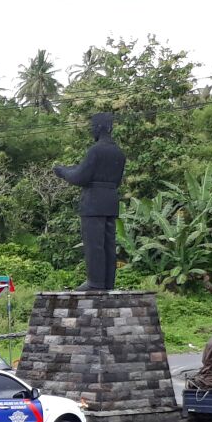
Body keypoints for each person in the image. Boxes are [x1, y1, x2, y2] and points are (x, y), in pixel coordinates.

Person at [53, 112, 126, 291]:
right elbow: (117, 181)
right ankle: (107, 283)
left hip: (93, 202)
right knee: (108, 245)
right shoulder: (119, 153)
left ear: (99, 127)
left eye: (93, 127)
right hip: (111, 200)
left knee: (94, 244)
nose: (91, 130)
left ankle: (95, 282)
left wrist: (62, 171)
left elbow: (80, 177)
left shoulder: (96, 150)